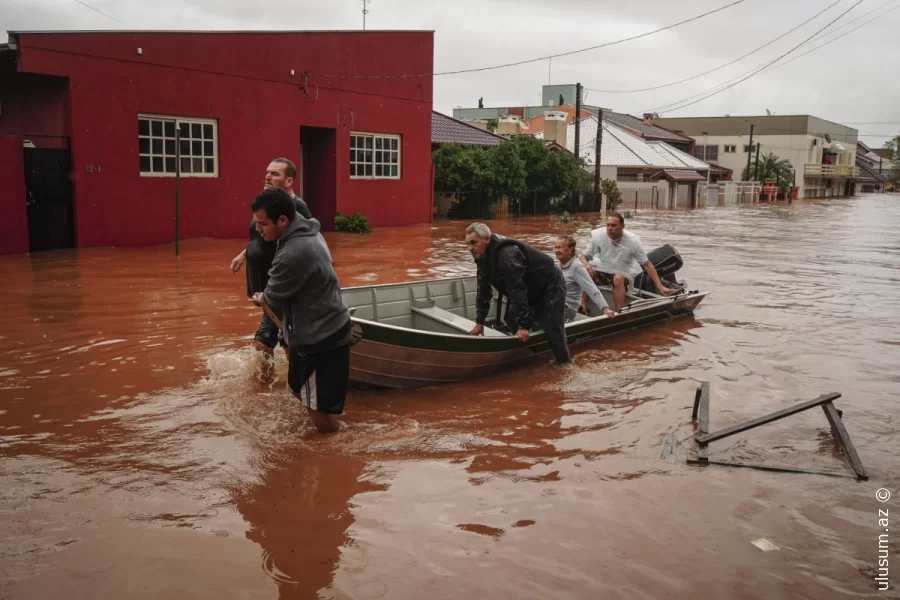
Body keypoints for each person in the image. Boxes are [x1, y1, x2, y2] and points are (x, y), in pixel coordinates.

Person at [249, 187, 351, 434]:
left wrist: (262, 297)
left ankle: (337, 447)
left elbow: (272, 298)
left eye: (262, 224)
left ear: (283, 220)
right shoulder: (306, 229)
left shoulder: (294, 252)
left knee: (318, 411)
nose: (258, 229)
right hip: (318, 327)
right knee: (297, 389)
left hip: (320, 337)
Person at [231, 158, 312, 355]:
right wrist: (245, 254)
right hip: (268, 286)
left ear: (289, 181)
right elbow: (261, 236)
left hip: (282, 286)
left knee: (264, 343)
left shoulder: (296, 208)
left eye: (275, 174)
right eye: (267, 172)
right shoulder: (267, 204)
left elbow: (308, 242)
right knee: (285, 337)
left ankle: (284, 383)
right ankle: (290, 380)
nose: (267, 176)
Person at [465, 223, 571, 365]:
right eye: (467, 244)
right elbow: (483, 290)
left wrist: (524, 326)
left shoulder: (507, 255)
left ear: (487, 239)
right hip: (530, 289)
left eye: (474, 242)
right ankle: (534, 353)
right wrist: (480, 322)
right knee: (511, 318)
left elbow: (517, 289)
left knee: (553, 326)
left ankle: (564, 365)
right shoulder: (482, 256)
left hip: (550, 285)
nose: (470, 248)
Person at [579, 212, 675, 311]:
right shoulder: (599, 236)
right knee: (586, 271)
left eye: (613, 225)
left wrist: (660, 286)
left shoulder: (632, 241)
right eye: (608, 225)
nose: (609, 228)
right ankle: (583, 307)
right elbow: (583, 256)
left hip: (622, 274)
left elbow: (646, 265)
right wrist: (586, 264)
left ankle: (619, 312)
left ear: (622, 226)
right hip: (602, 270)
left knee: (618, 279)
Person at [554, 235, 616, 322]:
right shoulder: (558, 266)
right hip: (555, 304)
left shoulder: (576, 267)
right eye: (555, 247)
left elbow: (591, 288)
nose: (556, 251)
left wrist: (605, 308)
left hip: (568, 309)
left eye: (559, 247)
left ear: (571, 249)